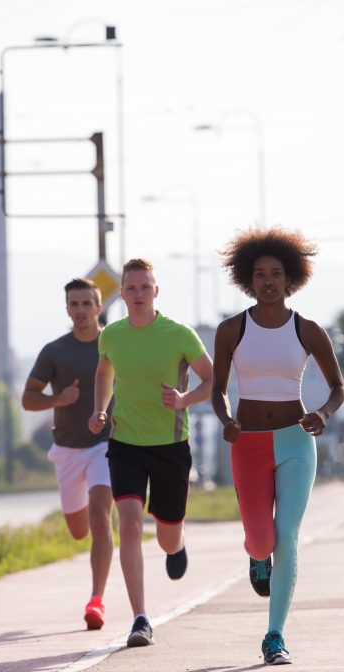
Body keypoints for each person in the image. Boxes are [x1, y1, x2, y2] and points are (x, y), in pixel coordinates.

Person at [211, 227, 344, 665]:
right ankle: (257, 558)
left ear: (291, 278)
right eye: (259, 274)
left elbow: (339, 388)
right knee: (260, 541)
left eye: (275, 274)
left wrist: (323, 414)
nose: (267, 281)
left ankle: (275, 636)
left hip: (295, 442)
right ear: (247, 279)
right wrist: (226, 420)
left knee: (286, 536)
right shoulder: (231, 330)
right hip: (247, 444)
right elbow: (218, 391)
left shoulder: (308, 330)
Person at [88, 258, 214, 648]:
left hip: (170, 447)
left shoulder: (179, 335)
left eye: (145, 287)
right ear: (121, 293)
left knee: (166, 538)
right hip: (125, 443)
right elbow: (104, 372)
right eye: (131, 288)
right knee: (128, 523)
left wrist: (184, 399)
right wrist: (99, 410)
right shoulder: (111, 336)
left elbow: (213, 380)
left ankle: (178, 543)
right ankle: (140, 618)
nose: (138, 294)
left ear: (156, 291)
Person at [22, 278, 115, 631]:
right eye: (74, 304)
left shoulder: (114, 344)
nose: (80, 311)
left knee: (100, 516)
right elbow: (28, 399)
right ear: (67, 310)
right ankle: (94, 544)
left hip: (105, 444)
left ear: (98, 307)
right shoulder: (55, 351)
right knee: (79, 531)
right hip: (67, 450)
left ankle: (96, 601)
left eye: (86, 303)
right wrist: (57, 399)